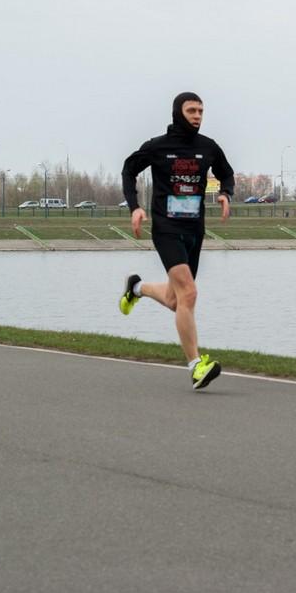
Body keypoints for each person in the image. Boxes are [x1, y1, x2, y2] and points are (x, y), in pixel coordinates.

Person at [119, 92, 235, 390]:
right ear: (177, 112)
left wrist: (225, 193)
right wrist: (134, 207)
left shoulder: (208, 147)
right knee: (190, 294)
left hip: (194, 230)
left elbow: (226, 173)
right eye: (191, 110)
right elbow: (129, 169)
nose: (197, 116)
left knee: (176, 299)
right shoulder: (159, 146)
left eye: (200, 111)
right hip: (166, 228)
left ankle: (136, 288)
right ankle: (196, 367)